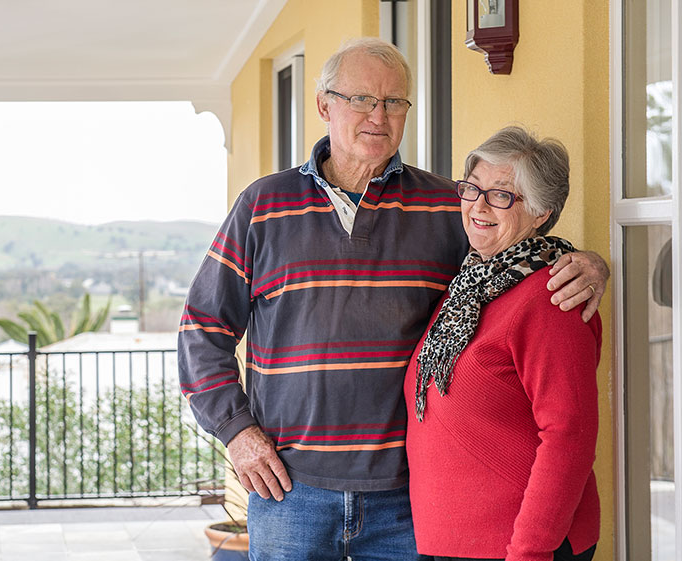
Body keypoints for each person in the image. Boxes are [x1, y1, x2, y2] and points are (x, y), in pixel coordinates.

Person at [178, 37, 608, 560]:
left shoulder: (446, 205)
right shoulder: (264, 206)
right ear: (324, 106)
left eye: (393, 102)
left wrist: (590, 264)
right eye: (361, 99)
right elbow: (202, 327)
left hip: (408, 501)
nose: (377, 116)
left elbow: (510, 251)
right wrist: (236, 430)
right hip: (291, 490)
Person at [405, 127, 600, 561]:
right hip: (453, 541)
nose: (478, 205)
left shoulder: (552, 298)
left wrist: (529, 552)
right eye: (472, 188)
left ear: (540, 212)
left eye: (501, 195)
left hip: (516, 547)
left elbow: (570, 435)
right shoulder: (468, 287)